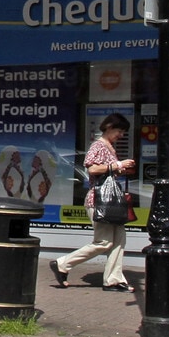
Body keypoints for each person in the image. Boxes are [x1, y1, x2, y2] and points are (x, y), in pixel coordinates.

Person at [52, 113, 136, 291]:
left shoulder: (110, 147)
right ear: (109, 127)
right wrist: (118, 166)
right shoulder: (98, 145)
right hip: (99, 200)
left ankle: (114, 279)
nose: (121, 135)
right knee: (104, 242)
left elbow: (105, 171)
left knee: (119, 239)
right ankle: (62, 263)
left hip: (110, 201)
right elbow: (91, 168)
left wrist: (121, 170)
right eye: (119, 131)